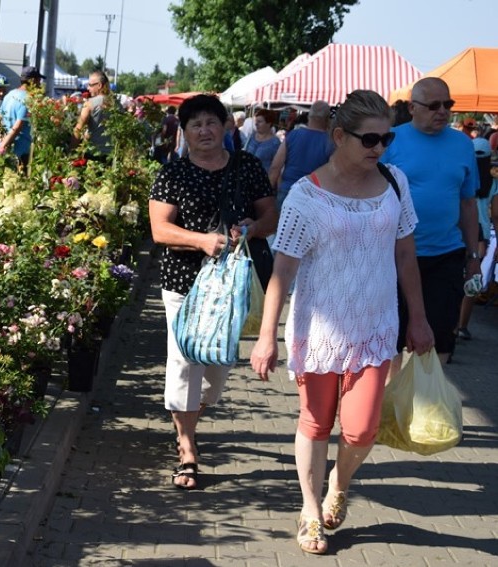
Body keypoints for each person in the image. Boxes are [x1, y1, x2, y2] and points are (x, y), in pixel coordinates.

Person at [250, 90, 434, 554]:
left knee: (361, 429)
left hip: (375, 329)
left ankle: (339, 482)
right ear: (339, 136)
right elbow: (283, 271)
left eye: (386, 138)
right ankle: (310, 511)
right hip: (319, 330)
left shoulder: (395, 183)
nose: (379, 147)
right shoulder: (306, 197)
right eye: (369, 138)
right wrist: (266, 337)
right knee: (314, 422)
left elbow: (406, 254)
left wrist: (419, 319)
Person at [148, 94, 277, 490]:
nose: (204, 130)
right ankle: (187, 446)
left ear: (225, 127)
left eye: (211, 122)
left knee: (217, 369)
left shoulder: (248, 166)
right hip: (184, 280)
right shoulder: (173, 173)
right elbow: (160, 231)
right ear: (184, 133)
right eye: (195, 124)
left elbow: (271, 215)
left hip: (232, 283)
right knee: (185, 360)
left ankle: (187, 419)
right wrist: (201, 241)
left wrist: (251, 228)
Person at [380, 77, 481, 367]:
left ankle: (428, 409)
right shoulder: (391, 140)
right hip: (395, 255)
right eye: (434, 105)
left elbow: (468, 203)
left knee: (438, 340)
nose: (442, 111)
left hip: (445, 255)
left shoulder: (462, 144)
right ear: (412, 107)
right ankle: (391, 407)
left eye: (447, 104)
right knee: (392, 338)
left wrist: (473, 256)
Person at [456, 137, 496, 339]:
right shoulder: (493, 182)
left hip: (459, 230)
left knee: (454, 278)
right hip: (482, 235)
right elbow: (496, 213)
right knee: (472, 279)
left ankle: (450, 323)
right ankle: (462, 325)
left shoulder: (463, 175)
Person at [268, 100, 334, 210]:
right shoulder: (330, 143)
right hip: (314, 195)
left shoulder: (293, 135)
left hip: (288, 191)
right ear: (327, 119)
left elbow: (275, 167)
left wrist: (269, 196)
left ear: (309, 116)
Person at [0, 66, 44, 171]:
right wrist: (4, 144)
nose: (40, 84)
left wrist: (2, 140)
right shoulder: (28, 99)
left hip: (6, 149)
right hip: (21, 151)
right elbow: (18, 126)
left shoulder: (10, 94)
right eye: (39, 80)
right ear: (32, 80)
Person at [73, 70, 114, 160]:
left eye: (90, 85)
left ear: (99, 85)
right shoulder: (117, 104)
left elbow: (78, 129)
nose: (88, 88)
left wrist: (71, 152)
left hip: (93, 154)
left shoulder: (90, 103)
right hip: (112, 156)